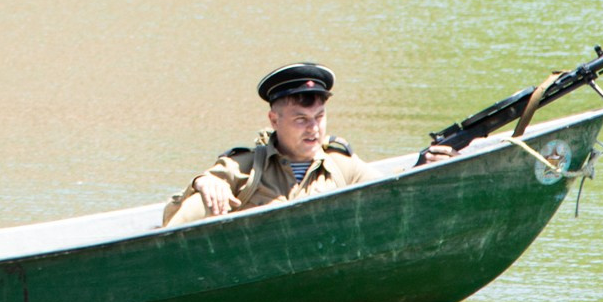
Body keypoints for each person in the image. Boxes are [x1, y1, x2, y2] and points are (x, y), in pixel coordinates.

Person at [161, 62, 450, 225]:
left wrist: (426, 167)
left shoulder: (342, 166)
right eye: (301, 119)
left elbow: (390, 192)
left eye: (319, 117)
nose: (313, 128)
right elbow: (177, 215)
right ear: (274, 120)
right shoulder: (246, 167)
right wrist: (205, 183)